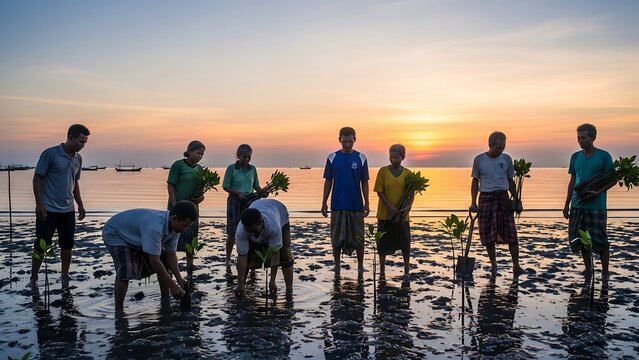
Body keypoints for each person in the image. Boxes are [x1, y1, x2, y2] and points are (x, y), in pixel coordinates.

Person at [102, 201, 198, 310]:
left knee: (164, 261)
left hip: (138, 236)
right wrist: (173, 285)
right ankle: (119, 310)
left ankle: (165, 301)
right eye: (185, 225)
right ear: (174, 218)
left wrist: (179, 280)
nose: (185, 229)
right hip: (116, 234)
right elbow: (154, 261)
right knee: (126, 269)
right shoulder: (155, 227)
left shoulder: (176, 229)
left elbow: (171, 255)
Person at [29, 124, 90, 292]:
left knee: (68, 244)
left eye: (85, 142)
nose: (82, 145)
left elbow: (75, 182)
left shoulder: (78, 159)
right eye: (80, 141)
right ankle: (33, 277)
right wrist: (39, 203)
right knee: (41, 245)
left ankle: (64, 275)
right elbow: (37, 178)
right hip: (47, 209)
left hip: (67, 210)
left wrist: (80, 204)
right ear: (70, 137)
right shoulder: (50, 154)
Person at [563, 123, 614, 281]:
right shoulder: (575, 157)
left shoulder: (604, 156)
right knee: (582, 238)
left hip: (596, 207)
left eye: (584, 138)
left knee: (600, 240)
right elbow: (573, 181)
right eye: (578, 138)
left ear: (593, 137)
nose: (580, 141)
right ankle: (588, 268)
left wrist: (597, 192)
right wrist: (567, 203)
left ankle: (605, 272)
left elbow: (613, 179)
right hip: (578, 206)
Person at [470, 131, 525, 276]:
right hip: (486, 198)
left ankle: (516, 265)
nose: (501, 150)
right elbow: (475, 181)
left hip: (503, 197)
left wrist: (517, 200)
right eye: (498, 147)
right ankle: (494, 265)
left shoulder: (507, 159)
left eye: (503, 147)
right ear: (490, 145)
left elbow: (510, 181)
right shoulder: (479, 160)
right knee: (488, 235)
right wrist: (473, 202)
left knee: (511, 234)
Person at [321, 126, 370, 277]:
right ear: (339, 140)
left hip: (355, 206)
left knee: (359, 238)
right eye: (344, 141)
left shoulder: (361, 158)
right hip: (337, 205)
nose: (347, 145)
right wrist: (324, 202)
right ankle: (337, 266)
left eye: (350, 141)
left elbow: (364, 182)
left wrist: (367, 203)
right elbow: (328, 181)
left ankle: (361, 267)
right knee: (336, 238)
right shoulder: (332, 157)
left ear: (355, 140)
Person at [234, 199, 293, 296]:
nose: (251, 233)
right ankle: (242, 287)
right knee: (249, 257)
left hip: (280, 213)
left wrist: (272, 281)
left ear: (260, 223)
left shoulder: (274, 226)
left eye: (254, 230)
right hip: (259, 207)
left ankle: (289, 291)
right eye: (248, 231)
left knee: (285, 256)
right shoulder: (241, 230)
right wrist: (239, 284)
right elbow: (242, 256)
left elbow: (275, 253)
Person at [374, 144, 414, 277]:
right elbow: (380, 191)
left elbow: (411, 193)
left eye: (396, 157)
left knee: (405, 243)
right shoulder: (383, 171)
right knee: (382, 243)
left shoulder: (408, 174)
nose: (393, 160)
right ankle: (382, 270)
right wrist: (390, 206)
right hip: (385, 215)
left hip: (402, 216)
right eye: (391, 157)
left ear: (403, 157)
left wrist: (408, 207)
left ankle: (407, 269)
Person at [167, 140, 205, 272]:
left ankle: (190, 264)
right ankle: (170, 264)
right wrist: (174, 204)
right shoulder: (178, 165)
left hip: (193, 207)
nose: (200, 156)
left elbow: (201, 189)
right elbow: (171, 185)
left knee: (191, 235)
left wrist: (201, 197)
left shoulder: (200, 169)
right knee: (172, 235)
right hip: (177, 206)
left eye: (202, 154)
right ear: (189, 152)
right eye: (198, 153)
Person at [222, 144, 261, 268]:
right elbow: (226, 186)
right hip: (235, 200)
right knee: (232, 232)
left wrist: (262, 192)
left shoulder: (252, 169)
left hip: (250, 200)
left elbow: (256, 186)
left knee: (250, 229)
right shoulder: (231, 168)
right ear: (238, 156)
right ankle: (228, 259)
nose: (247, 159)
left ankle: (250, 258)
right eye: (244, 157)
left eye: (249, 157)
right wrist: (238, 193)